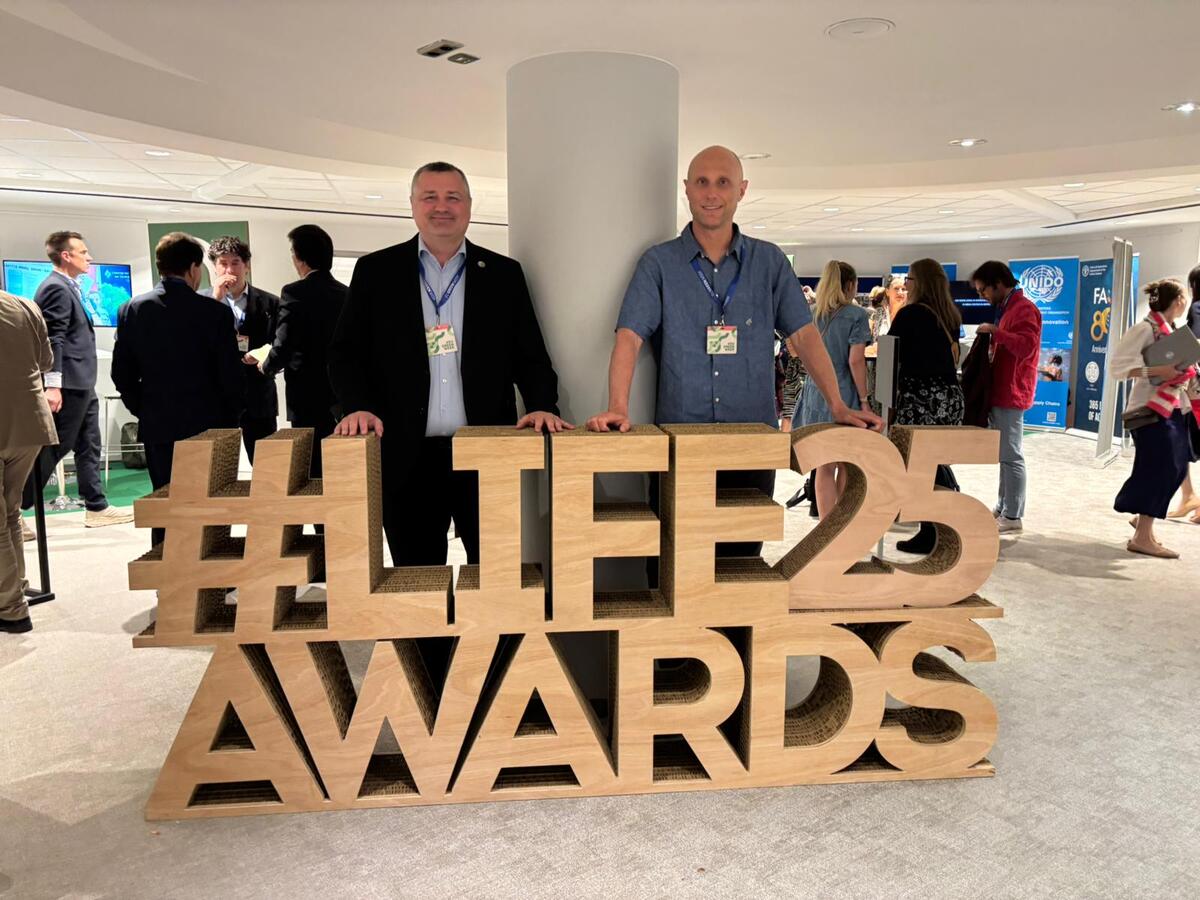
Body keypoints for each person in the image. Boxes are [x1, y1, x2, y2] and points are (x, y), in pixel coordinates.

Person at [586, 145, 880, 559]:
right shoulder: (659, 264)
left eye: (723, 182)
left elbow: (804, 336)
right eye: (702, 182)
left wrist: (837, 404)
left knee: (741, 566)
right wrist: (618, 406)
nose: (711, 193)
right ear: (687, 189)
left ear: (741, 190)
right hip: (681, 445)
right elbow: (629, 337)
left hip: (751, 444)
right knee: (675, 565)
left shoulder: (769, 262)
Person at [328, 161, 570, 567]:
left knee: (495, 571)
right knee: (418, 575)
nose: (442, 207)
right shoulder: (376, 272)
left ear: (469, 206)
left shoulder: (503, 274)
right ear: (413, 205)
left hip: (486, 451)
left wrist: (543, 404)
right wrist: (355, 406)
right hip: (406, 454)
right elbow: (345, 353)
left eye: (452, 197)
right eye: (430, 197)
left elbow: (529, 354)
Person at [112, 233, 245, 547]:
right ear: (194, 269)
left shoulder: (132, 309)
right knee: (210, 505)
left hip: (159, 425)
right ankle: (210, 570)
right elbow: (231, 376)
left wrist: (143, 408)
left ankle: (166, 569)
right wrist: (231, 418)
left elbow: (122, 374)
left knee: (166, 503)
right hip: (209, 426)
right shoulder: (214, 313)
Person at [27, 231, 132, 527]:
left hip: (82, 383)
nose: (89, 257)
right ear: (66, 255)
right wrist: (53, 385)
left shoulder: (69, 287)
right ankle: (12, 507)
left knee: (89, 444)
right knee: (54, 448)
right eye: (83, 252)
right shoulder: (56, 288)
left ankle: (96, 507)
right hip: (68, 385)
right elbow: (54, 339)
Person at [1110, 278, 1198, 558]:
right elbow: (1117, 367)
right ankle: (1142, 534)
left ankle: (1144, 525)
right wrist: (1159, 371)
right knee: (1160, 468)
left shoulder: (1169, 330)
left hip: (1172, 408)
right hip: (1150, 409)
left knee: (1173, 467)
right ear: (1179, 301)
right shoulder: (1145, 329)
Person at [888, 259, 965, 554]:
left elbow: (891, 356)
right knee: (933, 461)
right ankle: (940, 521)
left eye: (908, 279)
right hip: (948, 397)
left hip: (920, 399)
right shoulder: (950, 316)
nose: (906, 285)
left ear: (918, 282)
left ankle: (930, 529)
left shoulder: (909, 315)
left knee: (917, 464)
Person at [259, 225, 347, 480]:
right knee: (337, 461)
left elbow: (283, 344)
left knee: (311, 465)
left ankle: (317, 506)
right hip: (339, 394)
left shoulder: (294, 292)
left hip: (306, 394)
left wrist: (266, 365)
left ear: (299, 259)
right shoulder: (346, 293)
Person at [793, 260, 872, 520]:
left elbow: (799, 352)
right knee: (846, 462)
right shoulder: (857, 315)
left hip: (815, 392)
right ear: (850, 285)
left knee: (823, 464)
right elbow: (856, 360)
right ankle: (842, 522)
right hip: (844, 392)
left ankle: (826, 525)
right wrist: (864, 399)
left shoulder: (811, 314)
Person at [0, 290, 57, 634]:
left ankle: (11, 608)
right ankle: (16, 585)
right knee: (10, 511)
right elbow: (45, 361)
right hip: (30, 423)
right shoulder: (23, 305)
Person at [972, 261, 1041, 535]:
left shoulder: (1024, 309)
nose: (982, 296)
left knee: (1011, 456)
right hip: (1003, 390)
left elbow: (1027, 347)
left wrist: (996, 332)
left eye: (983, 290)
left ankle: (1013, 514)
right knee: (1005, 455)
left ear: (998, 284)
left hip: (1012, 391)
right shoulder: (1009, 308)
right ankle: (1004, 507)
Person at [201, 235, 279, 462]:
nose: (229, 270)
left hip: (258, 395)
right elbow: (197, 344)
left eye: (235, 262)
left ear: (247, 266)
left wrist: (264, 354)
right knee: (216, 466)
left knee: (265, 464)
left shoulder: (270, 302)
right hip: (217, 397)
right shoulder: (201, 302)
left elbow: (280, 343)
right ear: (214, 267)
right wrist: (215, 301)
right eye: (223, 263)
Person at [1166, 262, 1200, 519]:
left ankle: (1189, 496)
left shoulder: (1198, 308)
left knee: (1179, 441)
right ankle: (1189, 497)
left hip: (1195, 391)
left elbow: (1194, 343)